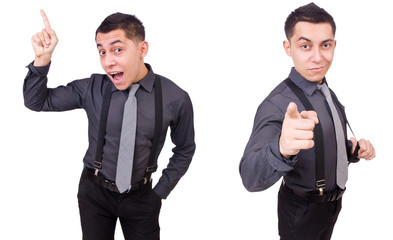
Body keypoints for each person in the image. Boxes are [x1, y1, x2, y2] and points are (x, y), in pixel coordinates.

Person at [24, 10, 195, 240]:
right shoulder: (92, 88)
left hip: (142, 198)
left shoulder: (175, 97)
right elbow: (37, 101)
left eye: (118, 50)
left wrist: (160, 191)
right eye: (102, 52)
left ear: (142, 49)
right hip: (94, 194)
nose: (108, 61)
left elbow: (185, 149)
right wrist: (42, 59)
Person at [239, 3, 375, 240]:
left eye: (326, 45)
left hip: (331, 207)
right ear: (288, 47)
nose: (318, 57)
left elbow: (323, 144)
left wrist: (352, 150)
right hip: (302, 212)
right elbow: (250, 178)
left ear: (334, 45)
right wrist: (281, 149)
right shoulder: (277, 104)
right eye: (305, 46)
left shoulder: (325, 88)